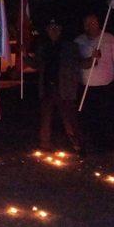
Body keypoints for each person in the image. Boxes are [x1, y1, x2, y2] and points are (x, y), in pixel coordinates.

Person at [29, 20, 83, 154]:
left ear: (60, 30)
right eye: (51, 28)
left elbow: (79, 63)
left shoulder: (70, 47)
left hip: (64, 88)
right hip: (47, 87)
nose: (53, 31)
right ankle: (44, 144)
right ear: (47, 30)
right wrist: (24, 57)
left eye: (56, 28)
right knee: (45, 118)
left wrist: (92, 59)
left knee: (69, 118)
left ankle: (77, 144)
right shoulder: (43, 47)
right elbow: (37, 64)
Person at [75, 13, 114, 153]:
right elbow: (76, 61)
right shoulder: (79, 41)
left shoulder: (109, 39)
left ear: (98, 24)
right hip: (86, 86)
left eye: (92, 22)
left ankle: (108, 143)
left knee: (106, 116)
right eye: (87, 23)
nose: (89, 26)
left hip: (105, 85)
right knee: (88, 116)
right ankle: (89, 143)